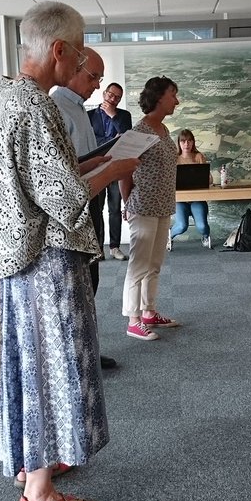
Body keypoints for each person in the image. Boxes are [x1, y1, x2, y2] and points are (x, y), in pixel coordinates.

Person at [0, 1, 139, 501]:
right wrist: (117, 169)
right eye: (80, 51)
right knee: (53, 370)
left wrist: (100, 162)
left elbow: (27, 181)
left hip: (18, 260)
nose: (82, 66)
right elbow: (66, 198)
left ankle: (32, 470)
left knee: (29, 366)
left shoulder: (2, 99)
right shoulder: (36, 107)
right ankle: (40, 496)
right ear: (60, 49)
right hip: (48, 262)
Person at [52, 46, 118, 371]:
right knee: (77, 283)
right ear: (75, 69)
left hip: (93, 199)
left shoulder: (80, 108)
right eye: (94, 77)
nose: (97, 85)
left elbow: (82, 160)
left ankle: (87, 349)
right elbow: (60, 172)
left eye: (99, 78)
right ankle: (74, 357)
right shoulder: (56, 107)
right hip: (73, 208)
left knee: (91, 279)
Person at [120, 76, 180, 341]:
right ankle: (133, 320)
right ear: (158, 97)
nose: (176, 100)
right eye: (173, 94)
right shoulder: (139, 132)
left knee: (154, 264)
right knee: (139, 264)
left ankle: (148, 312)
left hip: (163, 205)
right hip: (143, 206)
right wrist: (127, 203)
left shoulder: (164, 131)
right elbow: (123, 171)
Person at [89, 82, 132, 260]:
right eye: (111, 95)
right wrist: (110, 140)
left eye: (117, 97)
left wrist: (113, 116)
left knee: (114, 209)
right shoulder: (88, 116)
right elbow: (90, 141)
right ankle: (98, 248)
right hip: (96, 169)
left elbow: (126, 138)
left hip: (115, 168)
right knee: (96, 210)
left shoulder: (123, 116)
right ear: (104, 94)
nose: (113, 99)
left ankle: (115, 247)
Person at [170, 129, 211, 248]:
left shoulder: (199, 157)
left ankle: (206, 236)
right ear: (179, 143)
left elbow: (210, 179)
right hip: (180, 200)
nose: (186, 144)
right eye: (183, 141)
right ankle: (168, 236)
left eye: (189, 141)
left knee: (202, 226)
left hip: (197, 199)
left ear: (193, 142)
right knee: (182, 226)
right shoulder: (175, 159)